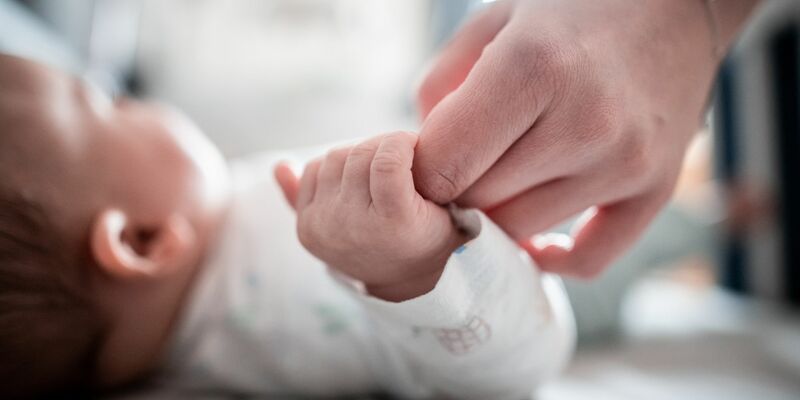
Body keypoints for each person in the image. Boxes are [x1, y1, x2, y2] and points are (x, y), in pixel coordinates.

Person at [0, 54, 574, 398]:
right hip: (541, 264)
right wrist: (417, 268)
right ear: (143, 240)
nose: (138, 100)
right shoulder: (279, 312)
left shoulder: (218, 249)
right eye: (113, 103)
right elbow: (526, 365)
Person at [412, 0, 763, 278]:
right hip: (560, 270)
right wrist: (688, 20)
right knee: (643, 241)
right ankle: (725, 213)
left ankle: (727, 212)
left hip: (544, 234)